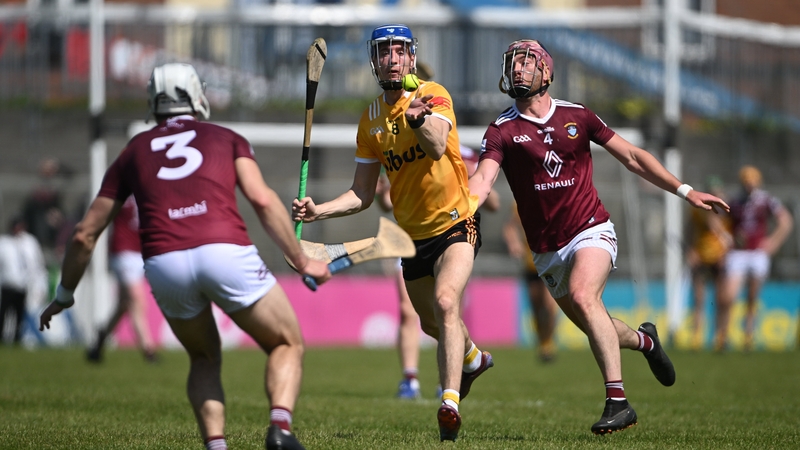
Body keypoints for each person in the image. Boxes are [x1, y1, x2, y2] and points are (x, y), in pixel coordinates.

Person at [39, 62, 330, 450]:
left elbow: (84, 234)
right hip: (224, 250)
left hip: (164, 263)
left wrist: (63, 295)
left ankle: (216, 444)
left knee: (203, 357)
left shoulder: (133, 151)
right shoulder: (226, 137)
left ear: (153, 101)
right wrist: (301, 257)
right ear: (198, 96)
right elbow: (261, 199)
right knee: (285, 342)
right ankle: (279, 428)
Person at [469, 39, 729, 435]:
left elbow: (633, 156)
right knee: (597, 322)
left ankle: (618, 401)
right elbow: (482, 182)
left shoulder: (578, 116)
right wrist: (456, 213)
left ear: (546, 73)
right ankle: (645, 342)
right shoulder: (502, 130)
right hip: (546, 251)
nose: (517, 70)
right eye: (512, 64)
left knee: (583, 295)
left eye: (526, 63)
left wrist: (685, 191)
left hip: (591, 228)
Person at [292, 24, 493, 442]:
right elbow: (361, 194)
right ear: (374, 60)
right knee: (431, 322)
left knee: (445, 300)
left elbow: (438, 145)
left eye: (400, 51)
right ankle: (472, 357)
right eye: (385, 52)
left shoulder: (433, 94)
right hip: (412, 237)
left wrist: (420, 118)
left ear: (412, 56)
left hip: (457, 221)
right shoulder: (369, 121)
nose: (393, 59)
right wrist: (318, 211)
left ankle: (449, 403)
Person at [376, 142, 499, 401]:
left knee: (446, 306)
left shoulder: (462, 153)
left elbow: (492, 201)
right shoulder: (405, 148)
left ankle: (448, 384)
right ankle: (411, 379)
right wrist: (380, 193)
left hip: (452, 238)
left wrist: (465, 182)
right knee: (412, 313)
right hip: (412, 238)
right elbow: (388, 203)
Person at [714, 165, 793, 352]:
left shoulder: (766, 200)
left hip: (757, 252)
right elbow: (715, 218)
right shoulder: (735, 201)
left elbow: (785, 221)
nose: (749, 185)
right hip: (738, 253)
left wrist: (774, 242)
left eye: (752, 182)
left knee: (752, 296)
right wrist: (725, 238)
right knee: (729, 296)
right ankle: (723, 336)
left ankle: (748, 335)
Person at [86, 195, 158, 363]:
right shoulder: (121, 189)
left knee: (123, 305)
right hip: (123, 251)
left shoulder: (148, 186)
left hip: (140, 251)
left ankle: (100, 338)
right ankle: (149, 350)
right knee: (137, 300)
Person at [503, 201, 559, 362]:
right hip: (531, 263)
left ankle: (548, 343)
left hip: (551, 262)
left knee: (549, 305)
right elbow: (509, 227)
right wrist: (514, 243)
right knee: (536, 305)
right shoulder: (519, 201)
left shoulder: (553, 196)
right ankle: (542, 342)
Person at [685, 175, 731, 350]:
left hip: (720, 258)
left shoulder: (727, 211)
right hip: (702, 257)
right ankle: (696, 337)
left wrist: (727, 253)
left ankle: (721, 337)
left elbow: (730, 234)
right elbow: (690, 230)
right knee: (699, 298)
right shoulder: (699, 210)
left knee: (722, 300)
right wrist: (691, 250)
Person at [0, 217, 47, 344]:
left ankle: (17, 339)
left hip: (22, 285)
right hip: (7, 285)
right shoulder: (4, 243)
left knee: (19, 315)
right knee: (3, 314)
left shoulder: (30, 242)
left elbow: (38, 265)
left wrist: (40, 284)